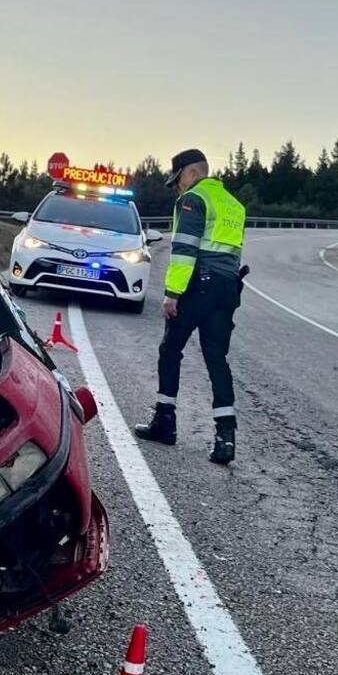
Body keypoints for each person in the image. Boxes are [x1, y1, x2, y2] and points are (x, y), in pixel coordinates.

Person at [134, 149, 247, 464]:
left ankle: (164, 423)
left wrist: (173, 293)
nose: (177, 188)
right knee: (216, 360)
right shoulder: (233, 205)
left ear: (191, 173)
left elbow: (185, 249)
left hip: (199, 284)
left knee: (171, 349)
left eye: (177, 180)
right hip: (228, 288)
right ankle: (226, 438)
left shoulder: (194, 199)